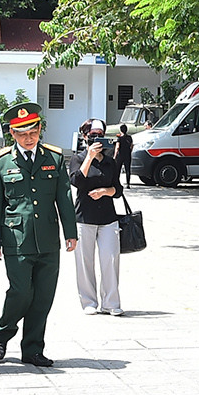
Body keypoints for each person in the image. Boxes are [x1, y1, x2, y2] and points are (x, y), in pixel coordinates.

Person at [0, 102, 78, 367]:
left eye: (33, 132)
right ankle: (2, 333)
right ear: (12, 135)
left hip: (48, 238)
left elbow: (64, 197)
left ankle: (32, 349)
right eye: (22, 134)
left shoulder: (55, 158)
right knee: (21, 292)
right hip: (16, 238)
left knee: (43, 296)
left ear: (40, 129)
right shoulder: (1, 162)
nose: (29, 139)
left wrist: (70, 232)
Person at [68, 119, 125, 316]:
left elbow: (118, 189)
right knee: (85, 262)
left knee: (110, 259)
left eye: (101, 134)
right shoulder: (78, 158)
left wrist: (105, 191)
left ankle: (111, 302)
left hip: (108, 217)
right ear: (85, 137)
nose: (97, 138)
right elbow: (76, 181)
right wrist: (89, 158)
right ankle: (88, 302)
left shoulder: (110, 161)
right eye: (93, 135)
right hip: (85, 216)